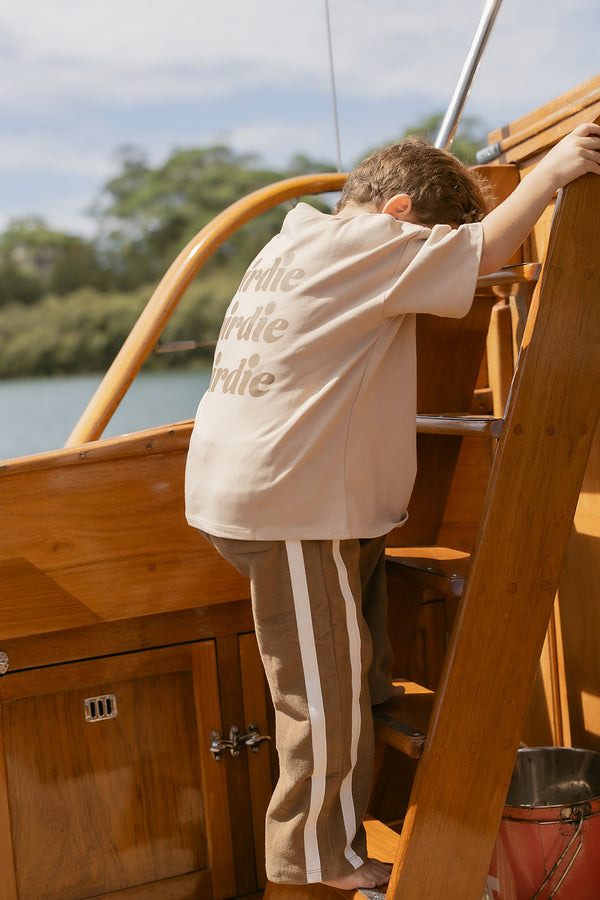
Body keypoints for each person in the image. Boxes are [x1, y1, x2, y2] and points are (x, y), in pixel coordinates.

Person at [185, 123, 600, 890]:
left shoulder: (296, 244)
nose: (422, 260)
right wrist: (553, 172)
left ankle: (367, 698)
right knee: (320, 696)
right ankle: (317, 855)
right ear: (397, 211)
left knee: (350, 647)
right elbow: (486, 252)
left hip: (279, 494)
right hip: (290, 511)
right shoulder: (367, 242)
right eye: (424, 242)